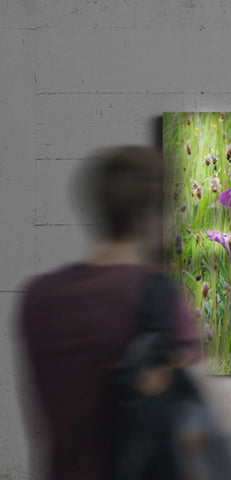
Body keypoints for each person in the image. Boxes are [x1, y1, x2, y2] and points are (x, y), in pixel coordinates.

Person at [16, 146, 201, 480]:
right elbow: (202, 425)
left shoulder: (37, 297)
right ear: (148, 216)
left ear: (99, 207)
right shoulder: (157, 295)